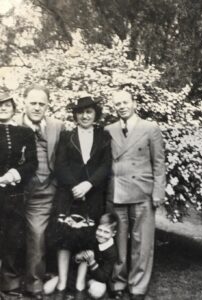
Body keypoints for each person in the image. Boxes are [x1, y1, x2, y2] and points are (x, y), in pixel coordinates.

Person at [105, 89, 166, 300]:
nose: (121, 106)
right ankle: (118, 283)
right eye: (117, 104)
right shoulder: (109, 129)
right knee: (119, 241)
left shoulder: (150, 128)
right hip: (118, 192)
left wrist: (158, 192)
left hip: (143, 193)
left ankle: (138, 287)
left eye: (125, 102)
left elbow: (159, 163)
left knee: (142, 242)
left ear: (133, 103)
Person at [52, 96, 112, 298]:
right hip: (68, 194)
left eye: (89, 112)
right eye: (80, 112)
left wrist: (89, 184)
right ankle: (61, 284)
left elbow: (106, 166)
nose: (84, 116)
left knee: (87, 238)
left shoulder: (104, 137)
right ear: (75, 115)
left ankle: (79, 285)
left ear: (95, 114)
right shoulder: (66, 136)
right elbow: (60, 165)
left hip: (93, 195)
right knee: (64, 238)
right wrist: (74, 186)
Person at [15, 85, 64, 299]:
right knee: (9, 235)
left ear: (47, 105)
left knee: (37, 236)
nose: (37, 107)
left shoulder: (57, 126)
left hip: (44, 190)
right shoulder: (10, 123)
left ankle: (34, 285)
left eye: (41, 104)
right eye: (33, 103)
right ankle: (9, 281)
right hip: (13, 191)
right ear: (24, 102)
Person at [0, 93, 38, 296]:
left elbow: (32, 163)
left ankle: (10, 286)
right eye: (0, 105)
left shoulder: (24, 132)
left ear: (14, 108)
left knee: (12, 240)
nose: (3, 108)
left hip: (14, 195)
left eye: (7, 105)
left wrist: (13, 174)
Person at [43, 213, 118, 300]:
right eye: (99, 230)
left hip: (94, 278)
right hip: (77, 274)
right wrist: (77, 258)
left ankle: (80, 289)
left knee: (97, 291)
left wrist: (92, 262)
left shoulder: (112, 251)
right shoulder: (92, 239)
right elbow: (73, 261)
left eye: (106, 232)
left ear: (113, 233)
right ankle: (62, 280)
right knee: (46, 289)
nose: (101, 234)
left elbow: (103, 277)